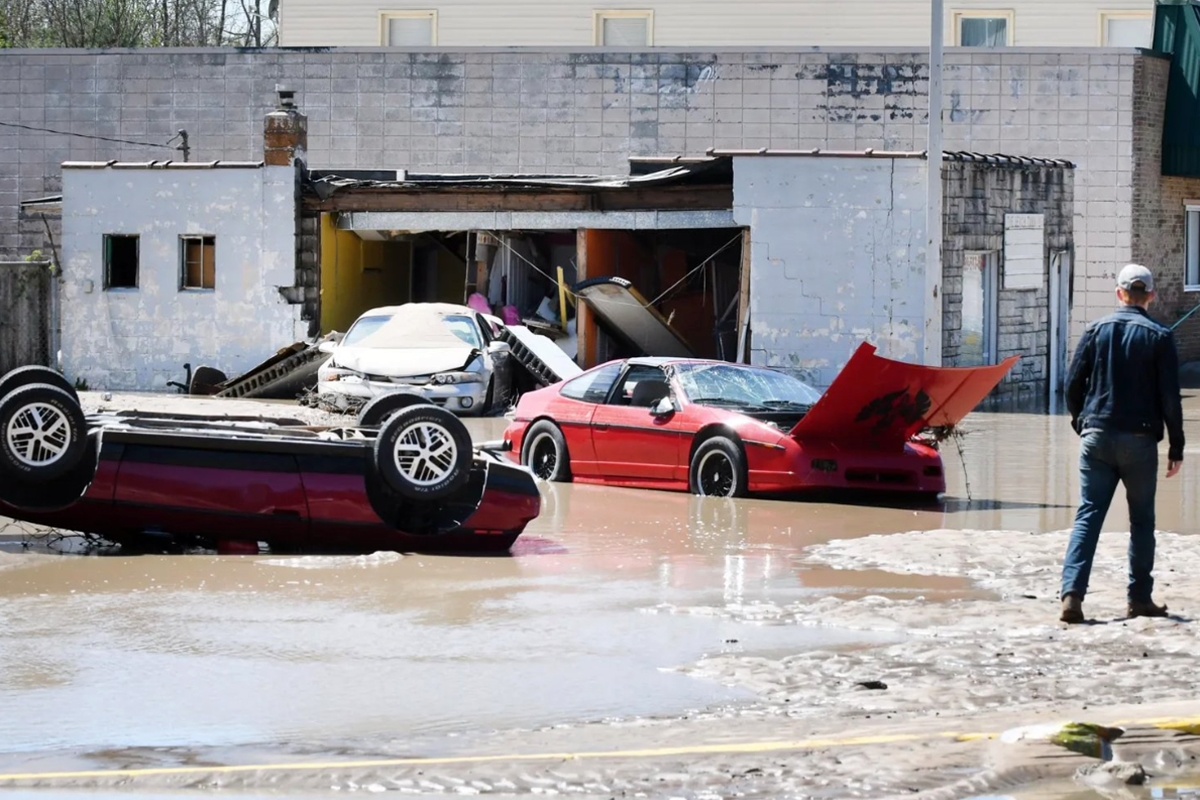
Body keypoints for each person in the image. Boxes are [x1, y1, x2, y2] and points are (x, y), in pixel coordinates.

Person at [1060, 264, 1185, 624]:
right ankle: (1139, 599)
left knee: (1087, 517)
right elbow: (1170, 400)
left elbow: (1072, 386)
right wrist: (1176, 448)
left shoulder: (1095, 330)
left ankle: (1072, 596)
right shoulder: (1160, 337)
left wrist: (1081, 423)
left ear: (1119, 294)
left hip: (1095, 436)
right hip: (1141, 441)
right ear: (1151, 296)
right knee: (1142, 521)